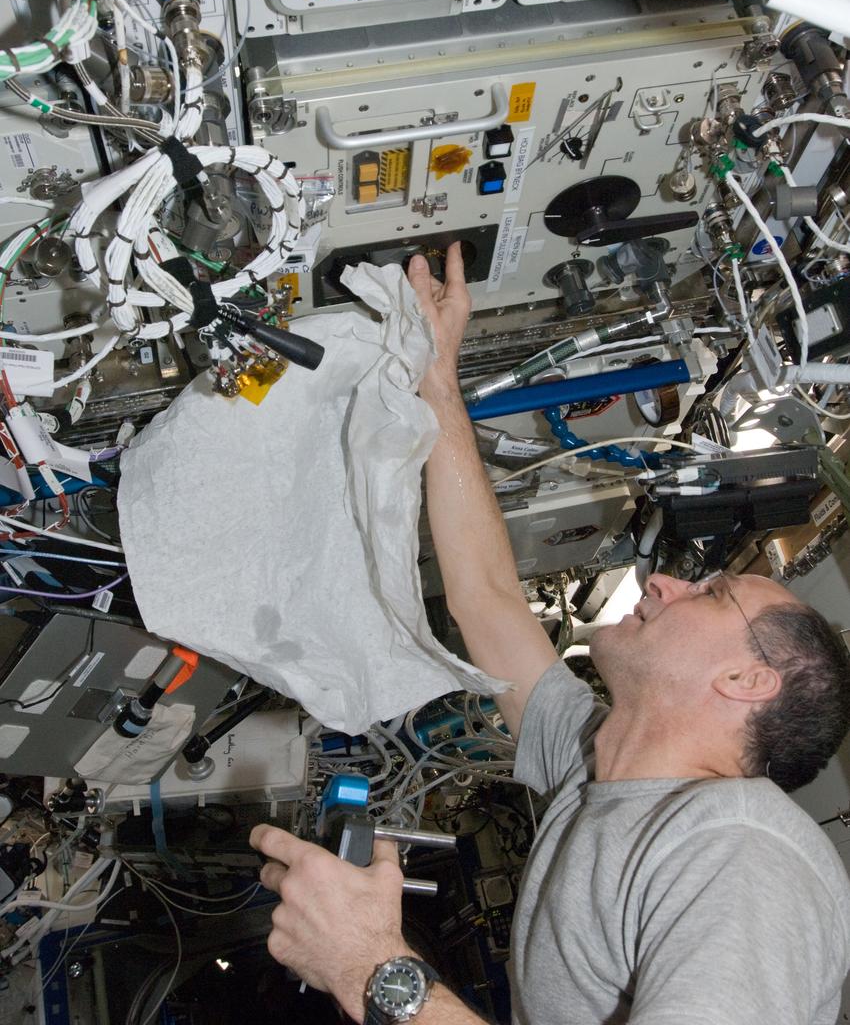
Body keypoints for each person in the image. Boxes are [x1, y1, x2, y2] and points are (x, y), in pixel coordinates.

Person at [251, 242, 850, 1024]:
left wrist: (369, 966)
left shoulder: (742, 854)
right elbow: (490, 601)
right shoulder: (598, 766)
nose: (667, 581)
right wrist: (438, 378)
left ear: (747, 681)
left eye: (713, 593)